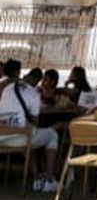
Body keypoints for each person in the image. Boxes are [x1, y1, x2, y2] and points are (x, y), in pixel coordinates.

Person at [0, 59, 60, 192]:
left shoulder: (5, 90)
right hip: (20, 138)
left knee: (28, 136)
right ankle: (48, 179)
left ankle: (37, 177)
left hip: (2, 138)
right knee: (51, 134)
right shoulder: (33, 94)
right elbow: (36, 122)